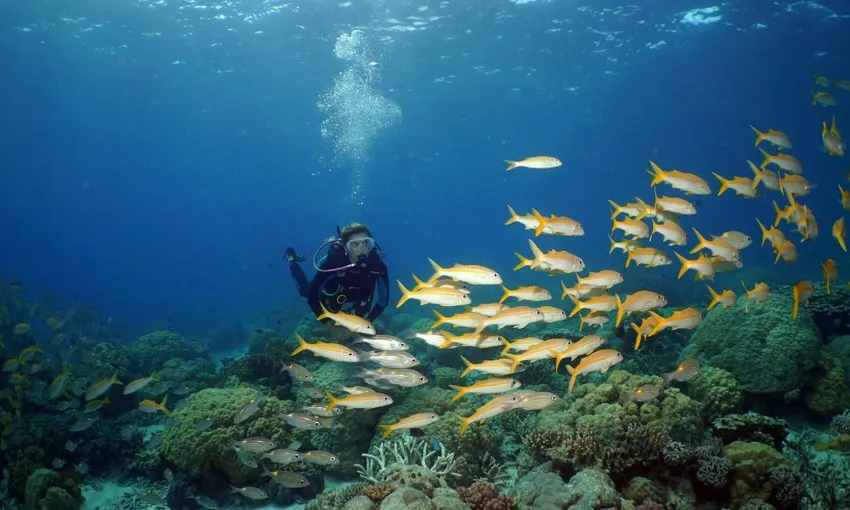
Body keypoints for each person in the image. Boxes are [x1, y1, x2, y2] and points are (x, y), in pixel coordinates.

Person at [286, 222, 389, 323]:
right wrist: (329, 325)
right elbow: (312, 296)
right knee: (304, 291)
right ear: (345, 247)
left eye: (366, 243)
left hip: (356, 299)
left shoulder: (377, 266)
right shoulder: (334, 262)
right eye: (354, 245)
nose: (361, 250)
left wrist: (368, 322)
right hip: (330, 294)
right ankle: (291, 259)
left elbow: (383, 300)